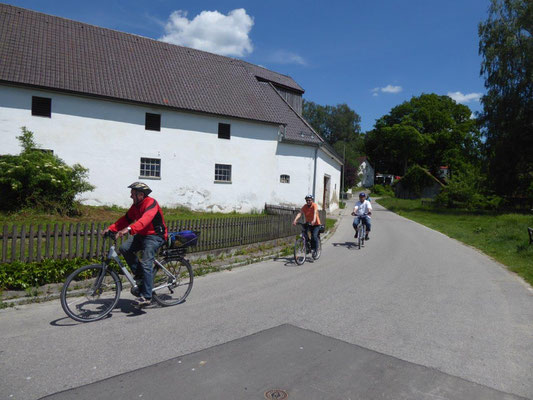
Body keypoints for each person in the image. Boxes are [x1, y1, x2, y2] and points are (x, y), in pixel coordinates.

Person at [103, 182, 167, 307]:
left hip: (155, 236)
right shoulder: (136, 206)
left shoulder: (151, 203)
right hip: (142, 235)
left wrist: (128, 230)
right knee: (124, 248)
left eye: (133, 194)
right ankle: (141, 276)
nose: (131, 196)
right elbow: (125, 219)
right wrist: (111, 229)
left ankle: (146, 296)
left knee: (147, 262)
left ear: (141, 195)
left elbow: (145, 220)